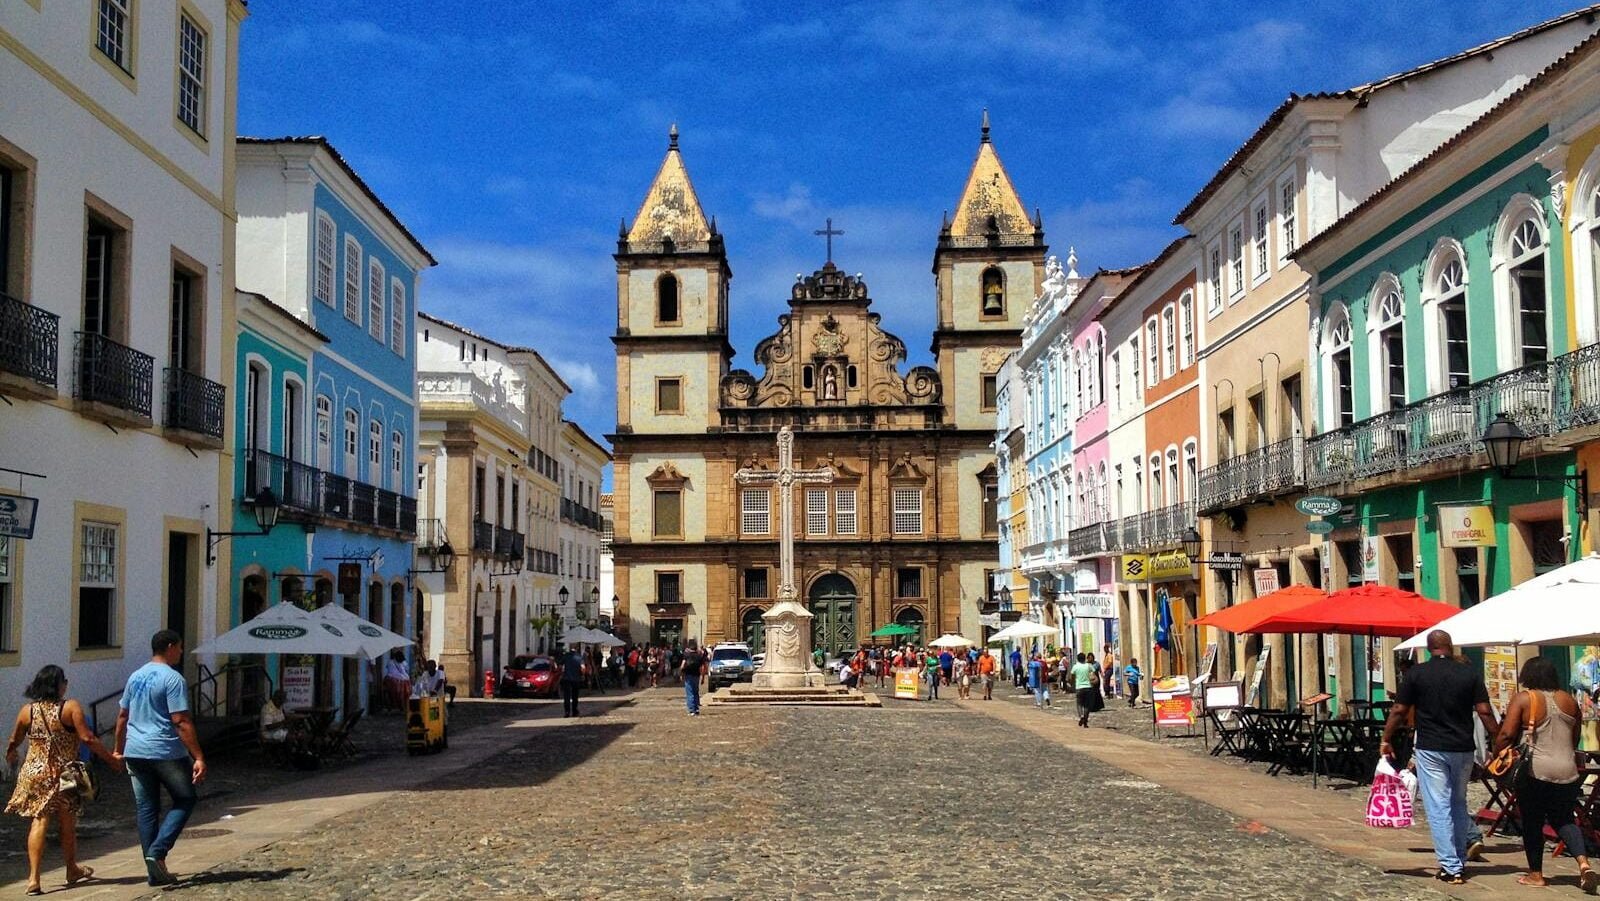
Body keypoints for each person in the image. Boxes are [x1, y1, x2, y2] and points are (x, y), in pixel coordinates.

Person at [1381, 630, 1497, 886]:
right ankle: (1457, 861)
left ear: (1429, 648)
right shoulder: (1470, 674)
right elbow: (1485, 712)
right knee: (1457, 802)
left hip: (1431, 748)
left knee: (1439, 805)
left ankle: (1450, 866)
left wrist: (1386, 738)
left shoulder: (1416, 674)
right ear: (1451, 647)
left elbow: (1399, 710)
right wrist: (1498, 741)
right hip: (1463, 748)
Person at [5, 664, 121, 895]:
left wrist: (11, 752)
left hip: (33, 772)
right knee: (67, 822)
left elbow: (15, 738)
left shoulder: (27, 711)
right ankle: (70, 868)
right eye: (64, 681)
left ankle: (34, 878)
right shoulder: (70, 708)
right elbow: (87, 738)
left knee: (39, 821)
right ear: (58, 685)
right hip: (64, 773)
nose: (66, 685)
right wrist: (111, 759)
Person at [1494, 657, 1597, 890]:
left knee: (1532, 820)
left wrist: (1496, 755)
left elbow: (1507, 735)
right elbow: (1574, 737)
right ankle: (1583, 863)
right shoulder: (1569, 700)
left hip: (1535, 770)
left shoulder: (1524, 698)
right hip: (1567, 769)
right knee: (1564, 819)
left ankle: (1536, 874)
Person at [114, 630, 206, 887]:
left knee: (146, 809)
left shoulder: (136, 676)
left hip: (135, 750)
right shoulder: (172, 679)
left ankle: (154, 870)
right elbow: (181, 721)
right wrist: (197, 755)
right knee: (186, 798)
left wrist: (118, 749)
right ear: (169, 647)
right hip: (164, 750)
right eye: (179, 647)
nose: (180, 652)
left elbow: (122, 715)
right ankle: (158, 851)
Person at [680, 641, 706, 716]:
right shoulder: (699, 656)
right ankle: (697, 708)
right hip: (696, 675)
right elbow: (704, 667)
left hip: (688, 675)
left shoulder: (686, 655)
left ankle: (691, 710)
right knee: (695, 692)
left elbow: (682, 665)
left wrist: (681, 674)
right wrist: (703, 677)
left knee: (690, 692)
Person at [1072, 653, 1097, 728]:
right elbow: (1094, 672)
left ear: (1077, 659)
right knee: (1087, 705)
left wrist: (1073, 685)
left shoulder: (1075, 666)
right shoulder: (1088, 666)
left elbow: (1072, 676)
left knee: (1079, 704)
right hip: (1088, 687)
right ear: (1085, 658)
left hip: (1079, 687)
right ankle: (1085, 722)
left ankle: (1081, 716)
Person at [559, 646, 585, 718]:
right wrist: (582, 675)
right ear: (576, 649)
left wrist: (563, 672)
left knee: (566, 696)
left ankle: (567, 712)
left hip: (566, 679)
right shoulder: (579, 657)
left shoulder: (566, 656)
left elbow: (560, 666)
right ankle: (574, 711)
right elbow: (583, 668)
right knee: (575, 696)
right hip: (576, 679)